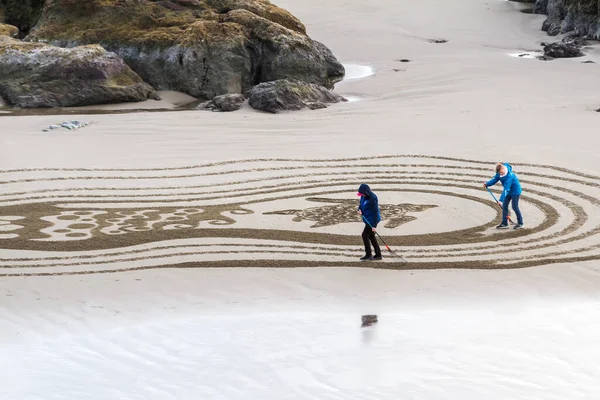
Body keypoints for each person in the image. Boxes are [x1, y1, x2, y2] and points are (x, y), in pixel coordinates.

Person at [483, 162, 523, 229]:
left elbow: (506, 189)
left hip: (515, 191)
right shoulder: (499, 172)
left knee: (514, 207)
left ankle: (520, 223)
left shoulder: (509, 176)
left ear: (503, 169)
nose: (501, 174)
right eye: (499, 173)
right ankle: (505, 223)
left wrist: (501, 200)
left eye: (502, 172)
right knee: (504, 206)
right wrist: (487, 184)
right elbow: (495, 179)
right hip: (508, 192)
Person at [357, 183, 382, 260]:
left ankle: (368, 254)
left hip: (372, 220)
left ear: (366, 192)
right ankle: (378, 254)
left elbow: (375, 212)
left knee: (364, 235)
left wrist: (374, 226)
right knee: (371, 236)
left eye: (362, 194)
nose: (362, 195)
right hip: (367, 218)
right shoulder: (363, 196)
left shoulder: (372, 199)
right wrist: (359, 209)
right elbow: (361, 204)